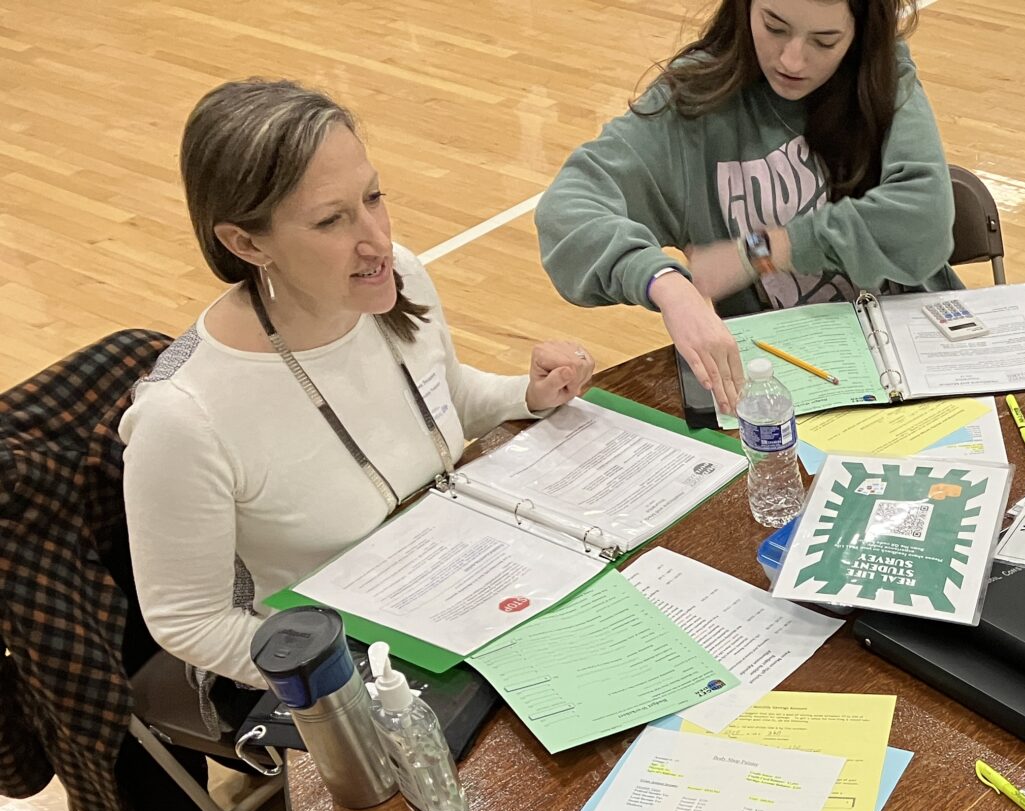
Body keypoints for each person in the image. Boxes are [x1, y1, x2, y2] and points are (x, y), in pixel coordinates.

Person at [120, 80, 592, 707]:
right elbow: (189, 619)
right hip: (345, 670)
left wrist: (528, 395)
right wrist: (352, 683)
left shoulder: (398, 276)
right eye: (331, 220)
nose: (375, 240)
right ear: (247, 243)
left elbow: (445, 399)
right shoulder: (183, 420)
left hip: (463, 589)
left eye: (373, 197)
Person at [538, 0, 957, 417]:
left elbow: (924, 220)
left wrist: (761, 251)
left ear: (861, 33)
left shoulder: (883, 72)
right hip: (794, 389)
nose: (792, 59)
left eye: (825, 41)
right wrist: (664, 283)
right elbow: (567, 211)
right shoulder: (694, 105)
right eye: (774, 27)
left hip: (928, 358)